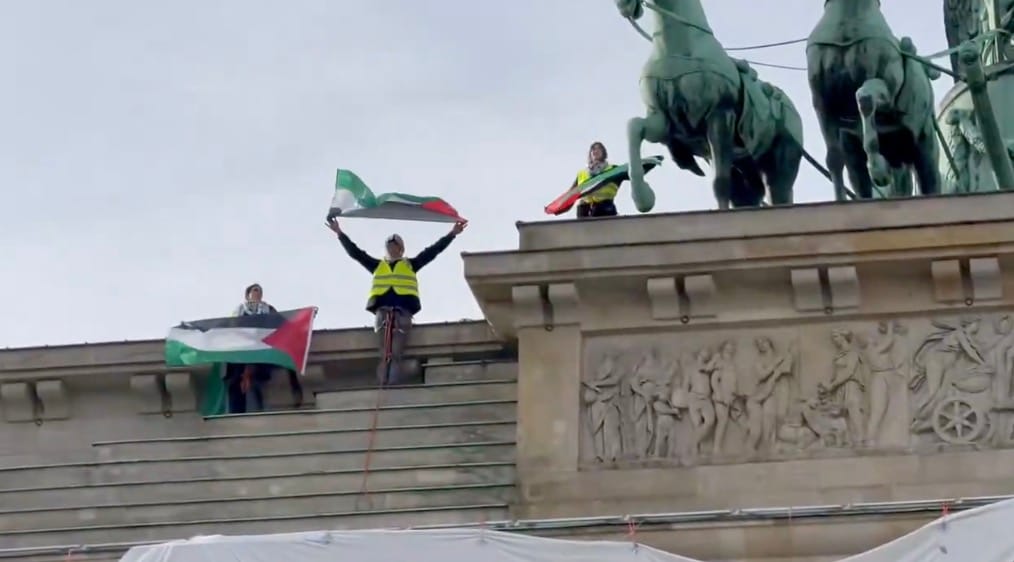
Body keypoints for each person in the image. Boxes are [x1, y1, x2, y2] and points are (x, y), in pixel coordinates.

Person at [326, 217, 467, 384]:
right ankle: (384, 384)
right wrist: (339, 233)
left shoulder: (410, 264)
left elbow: (433, 251)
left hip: (403, 313)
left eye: (396, 246)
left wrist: (452, 234)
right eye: (390, 246)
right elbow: (355, 253)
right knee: (385, 352)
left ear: (401, 249)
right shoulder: (378, 265)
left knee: (396, 352)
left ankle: (391, 386)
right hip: (382, 313)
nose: (393, 248)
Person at [224, 283, 303, 414]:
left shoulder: (268, 309)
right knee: (237, 380)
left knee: (258, 378)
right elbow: (232, 326)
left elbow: (280, 324)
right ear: (247, 294)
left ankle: (258, 407)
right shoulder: (240, 309)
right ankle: (236, 411)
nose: (257, 293)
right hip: (242, 348)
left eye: (259, 291)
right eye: (255, 290)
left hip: (261, 348)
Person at [571, 141, 619, 218]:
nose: (595, 151)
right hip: (585, 210)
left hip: (605, 208)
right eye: (593, 149)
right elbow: (570, 193)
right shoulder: (582, 173)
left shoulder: (612, 169)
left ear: (604, 153)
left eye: (599, 148)